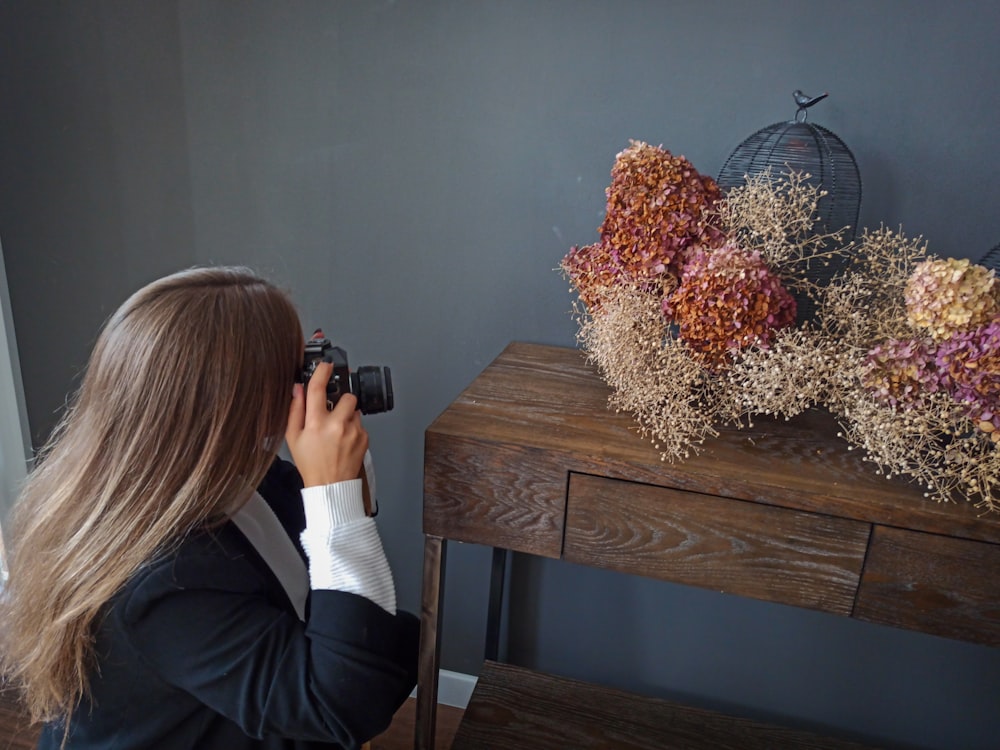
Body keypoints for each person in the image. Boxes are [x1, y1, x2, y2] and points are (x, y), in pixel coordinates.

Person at [0, 266, 419, 749]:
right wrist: (335, 492)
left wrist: (338, 477)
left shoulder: (214, 477)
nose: (304, 388)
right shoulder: (164, 580)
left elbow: (322, 555)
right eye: (293, 373)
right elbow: (342, 706)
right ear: (233, 404)